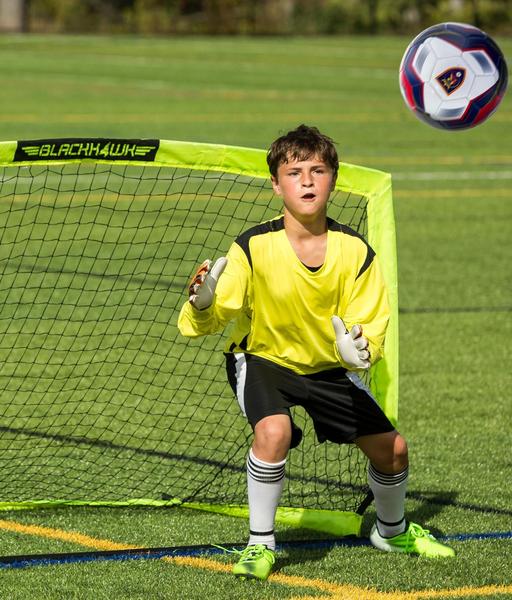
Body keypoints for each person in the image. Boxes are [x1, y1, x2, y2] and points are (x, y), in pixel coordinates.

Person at [178, 124, 454, 581]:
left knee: (394, 452)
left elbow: (369, 332)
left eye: (317, 170)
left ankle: (391, 530)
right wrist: (202, 303)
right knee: (274, 431)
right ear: (275, 184)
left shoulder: (356, 252)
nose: (306, 181)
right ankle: (259, 544)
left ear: (333, 179)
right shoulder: (251, 246)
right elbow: (212, 315)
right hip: (263, 359)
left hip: (326, 367)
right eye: (294, 172)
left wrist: (356, 351)